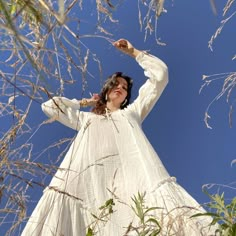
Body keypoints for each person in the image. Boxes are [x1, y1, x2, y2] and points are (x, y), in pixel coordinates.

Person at [22, 39, 216, 236]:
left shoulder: (132, 112)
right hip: (87, 183)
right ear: (106, 91)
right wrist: (85, 102)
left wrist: (134, 52)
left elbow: (160, 76)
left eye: (125, 87)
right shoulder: (86, 119)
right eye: (116, 84)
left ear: (126, 97)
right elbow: (50, 106)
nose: (121, 88)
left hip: (134, 180)